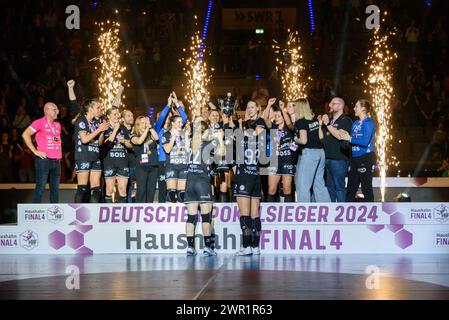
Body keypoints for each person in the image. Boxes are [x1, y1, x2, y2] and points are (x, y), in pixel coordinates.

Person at [184, 119, 222, 256]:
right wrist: (219, 137)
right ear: (205, 132)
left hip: (189, 182)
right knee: (206, 217)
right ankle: (207, 247)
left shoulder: (190, 143)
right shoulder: (208, 143)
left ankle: (190, 247)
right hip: (202, 182)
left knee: (191, 217)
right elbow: (221, 155)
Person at [233, 120, 263, 256]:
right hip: (256, 177)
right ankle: (256, 246)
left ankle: (246, 246)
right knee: (255, 215)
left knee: (244, 215)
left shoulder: (240, 138)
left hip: (244, 178)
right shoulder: (259, 141)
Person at [22, 102, 62, 203]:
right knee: (40, 187)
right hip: (44, 160)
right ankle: (34, 213)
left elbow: (56, 139)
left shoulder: (57, 125)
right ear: (47, 111)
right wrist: (34, 151)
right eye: (55, 109)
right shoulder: (39, 122)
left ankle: (54, 212)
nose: (58, 111)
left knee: (55, 189)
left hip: (56, 161)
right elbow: (25, 134)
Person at [340, 99, 377, 202]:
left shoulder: (369, 123)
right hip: (354, 158)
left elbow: (365, 142)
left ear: (363, 109)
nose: (354, 108)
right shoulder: (356, 123)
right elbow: (352, 139)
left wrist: (349, 138)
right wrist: (344, 138)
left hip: (365, 158)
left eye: (356, 106)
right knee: (351, 188)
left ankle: (371, 214)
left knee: (366, 188)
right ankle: (347, 214)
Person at [154, 92, 188, 203]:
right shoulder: (160, 129)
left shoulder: (180, 130)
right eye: (166, 116)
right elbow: (162, 117)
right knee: (166, 190)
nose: (167, 117)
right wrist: (168, 105)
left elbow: (184, 118)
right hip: (164, 161)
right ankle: (164, 214)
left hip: (179, 162)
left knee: (179, 192)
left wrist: (176, 104)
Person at [294, 98, 331, 202]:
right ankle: (327, 212)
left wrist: (295, 139)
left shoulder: (301, 121)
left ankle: (303, 214)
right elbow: (320, 136)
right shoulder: (314, 119)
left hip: (310, 153)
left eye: (295, 106)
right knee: (319, 185)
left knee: (302, 186)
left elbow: (304, 140)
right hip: (320, 152)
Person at [73, 99, 109, 203]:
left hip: (95, 156)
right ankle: (76, 214)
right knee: (82, 188)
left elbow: (99, 143)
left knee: (96, 189)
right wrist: (99, 130)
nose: (100, 109)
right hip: (83, 156)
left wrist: (102, 132)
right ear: (90, 108)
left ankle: (93, 215)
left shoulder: (95, 122)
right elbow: (84, 140)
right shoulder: (81, 120)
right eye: (98, 107)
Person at [263, 98, 295, 202]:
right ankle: (269, 216)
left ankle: (288, 216)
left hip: (287, 160)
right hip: (274, 162)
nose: (276, 118)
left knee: (287, 189)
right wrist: (268, 105)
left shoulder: (290, 129)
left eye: (279, 116)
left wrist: (282, 109)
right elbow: (266, 118)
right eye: (275, 116)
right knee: (271, 189)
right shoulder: (273, 128)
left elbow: (289, 122)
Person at [321, 97, 353, 202]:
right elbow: (321, 137)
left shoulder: (346, 120)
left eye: (333, 103)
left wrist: (328, 125)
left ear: (340, 106)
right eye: (330, 103)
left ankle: (341, 213)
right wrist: (319, 125)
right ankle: (331, 214)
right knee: (330, 188)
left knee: (339, 188)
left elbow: (340, 136)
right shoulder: (329, 120)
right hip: (327, 158)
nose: (330, 105)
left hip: (339, 159)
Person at [102, 107, 133, 203]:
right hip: (109, 162)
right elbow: (107, 144)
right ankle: (107, 215)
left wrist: (125, 141)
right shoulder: (105, 127)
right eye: (114, 114)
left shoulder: (123, 128)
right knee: (110, 189)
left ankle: (122, 215)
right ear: (108, 116)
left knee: (123, 190)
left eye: (117, 114)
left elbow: (130, 145)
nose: (117, 116)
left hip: (122, 162)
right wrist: (115, 130)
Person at [161, 114, 190, 203]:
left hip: (183, 166)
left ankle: (181, 216)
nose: (181, 124)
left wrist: (187, 136)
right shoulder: (166, 135)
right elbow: (167, 150)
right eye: (179, 122)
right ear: (173, 123)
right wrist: (173, 138)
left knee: (182, 195)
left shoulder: (184, 133)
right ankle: (170, 216)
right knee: (171, 194)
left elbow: (188, 150)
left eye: (182, 122)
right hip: (171, 166)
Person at [131, 116, 159, 203]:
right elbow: (139, 141)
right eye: (142, 123)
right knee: (142, 190)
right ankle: (139, 211)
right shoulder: (133, 135)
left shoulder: (150, 134)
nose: (145, 125)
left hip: (153, 166)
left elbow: (157, 138)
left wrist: (150, 129)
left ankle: (148, 210)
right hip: (142, 166)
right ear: (138, 125)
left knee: (151, 191)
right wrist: (146, 130)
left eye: (146, 123)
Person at [121, 109, 136, 203]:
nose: (131, 117)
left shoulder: (137, 129)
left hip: (136, 162)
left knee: (138, 186)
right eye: (128, 116)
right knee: (128, 187)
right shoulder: (120, 130)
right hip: (125, 163)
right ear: (122, 118)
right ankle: (128, 207)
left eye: (132, 115)